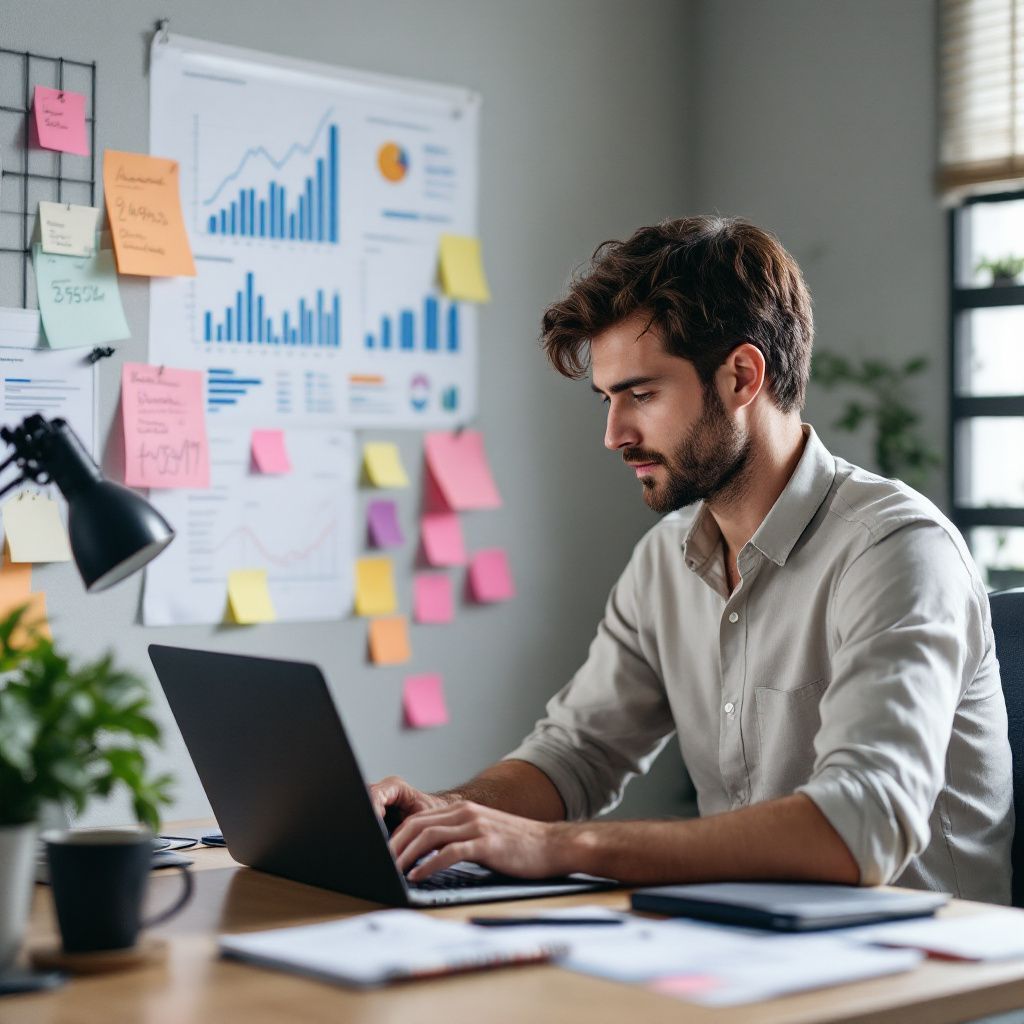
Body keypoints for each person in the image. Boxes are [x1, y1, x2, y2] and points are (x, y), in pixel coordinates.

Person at [372, 216, 1013, 902]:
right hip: (748, 952)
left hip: (923, 979)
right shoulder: (663, 562)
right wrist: (439, 818)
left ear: (741, 377)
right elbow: (577, 755)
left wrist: (559, 847)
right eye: (609, 399)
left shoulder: (897, 553)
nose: (614, 434)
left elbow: (863, 826)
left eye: (641, 395)